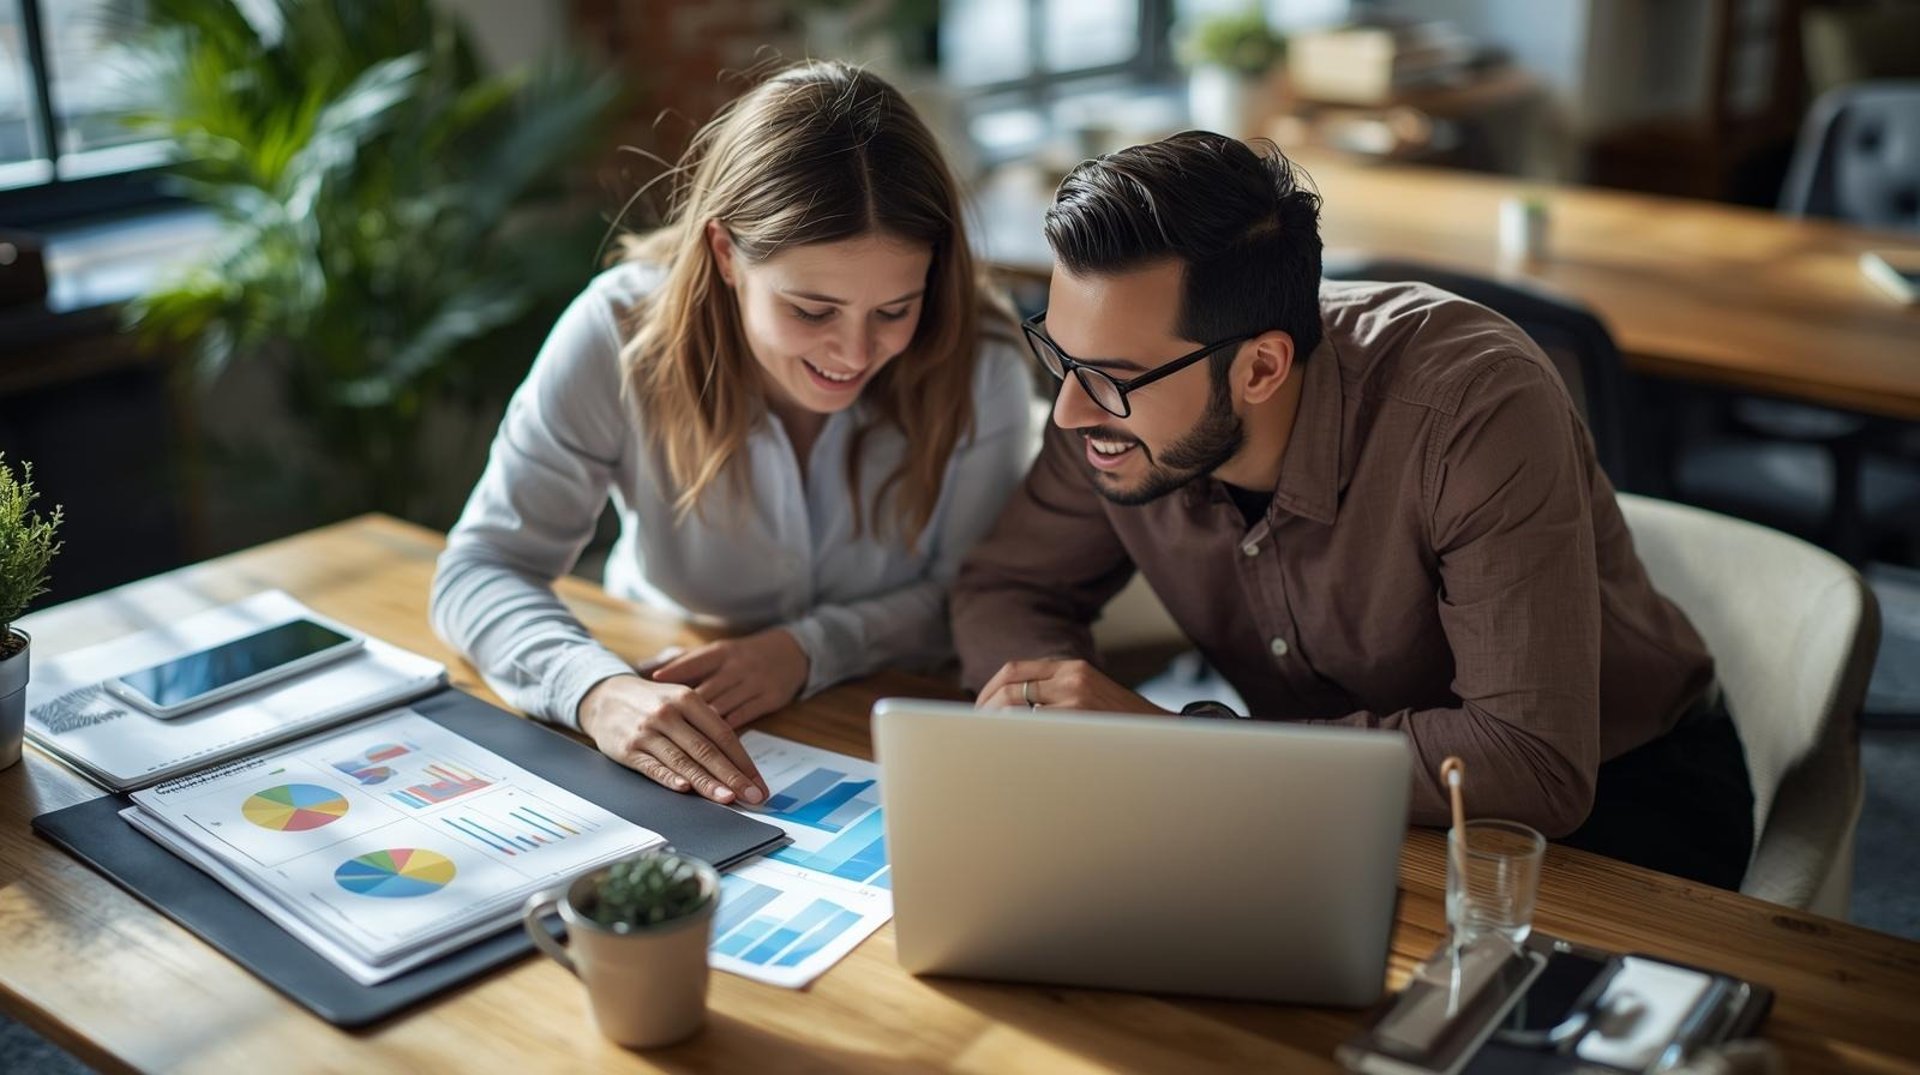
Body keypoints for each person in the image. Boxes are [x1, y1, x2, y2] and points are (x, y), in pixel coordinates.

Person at [951, 132, 1753, 889]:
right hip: (1314, 793)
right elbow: (1006, 589)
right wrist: (1046, 719)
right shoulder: (1105, 405)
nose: (1066, 413)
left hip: (1613, 803)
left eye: (1111, 378)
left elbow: (1532, 762)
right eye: (1059, 355)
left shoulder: (1476, 408)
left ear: (1261, 367)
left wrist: (1178, 746)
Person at [433, 62, 1032, 807]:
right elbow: (480, 566)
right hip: (670, 682)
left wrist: (808, 650)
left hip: (894, 718)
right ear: (725, 254)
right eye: (812, 310)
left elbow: (979, 591)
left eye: (894, 310)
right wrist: (592, 688)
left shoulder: (982, 359)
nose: (853, 354)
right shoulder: (618, 332)